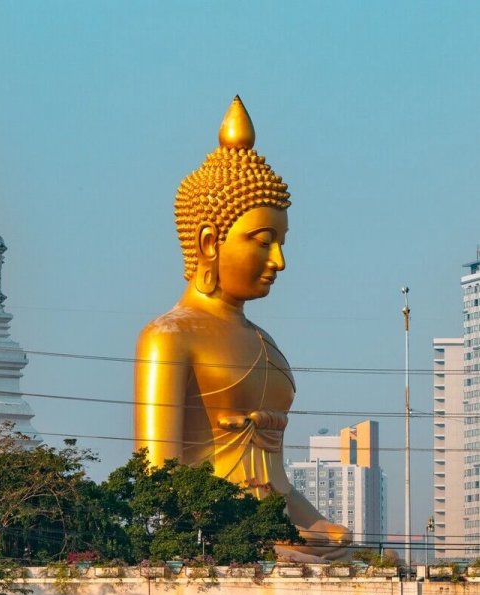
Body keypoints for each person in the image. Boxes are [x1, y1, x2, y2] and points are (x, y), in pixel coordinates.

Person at [135, 97, 350, 559]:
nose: (279, 261)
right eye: (263, 241)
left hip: (272, 528)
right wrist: (241, 528)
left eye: (281, 243)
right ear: (210, 241)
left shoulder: (264, 342)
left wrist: (314, 524)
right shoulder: (169, 336)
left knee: (349, 550)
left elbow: (278, 482)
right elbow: (158, 481)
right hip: (209, 536)